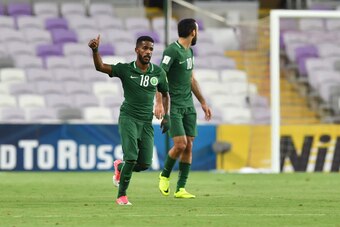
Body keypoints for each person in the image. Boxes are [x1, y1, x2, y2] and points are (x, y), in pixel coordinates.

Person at [88, 35, 170, 205]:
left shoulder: (158, 72)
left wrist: (166, 115)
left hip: (146, 122)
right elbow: (100, 67)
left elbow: (165, 93)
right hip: (129, 118)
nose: (148, 52)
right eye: (145, 48)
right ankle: (121, 196)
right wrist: (95, 51)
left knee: (144, 163)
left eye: (151, 49)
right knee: (131, 157)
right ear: (136, 50)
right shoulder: (126, 70)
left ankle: (119, 167)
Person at [157, 18, 212, 198]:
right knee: (180, 144)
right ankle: (164, 175)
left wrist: (203, 102)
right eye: (197, 30)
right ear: (193, 32)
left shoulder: (189, 52)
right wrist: (159, 103)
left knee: (189, 146)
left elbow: (191, 79)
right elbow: (159, 76)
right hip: (175, 105)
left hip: (189, 106)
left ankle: (181, 188)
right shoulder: (171, 51)